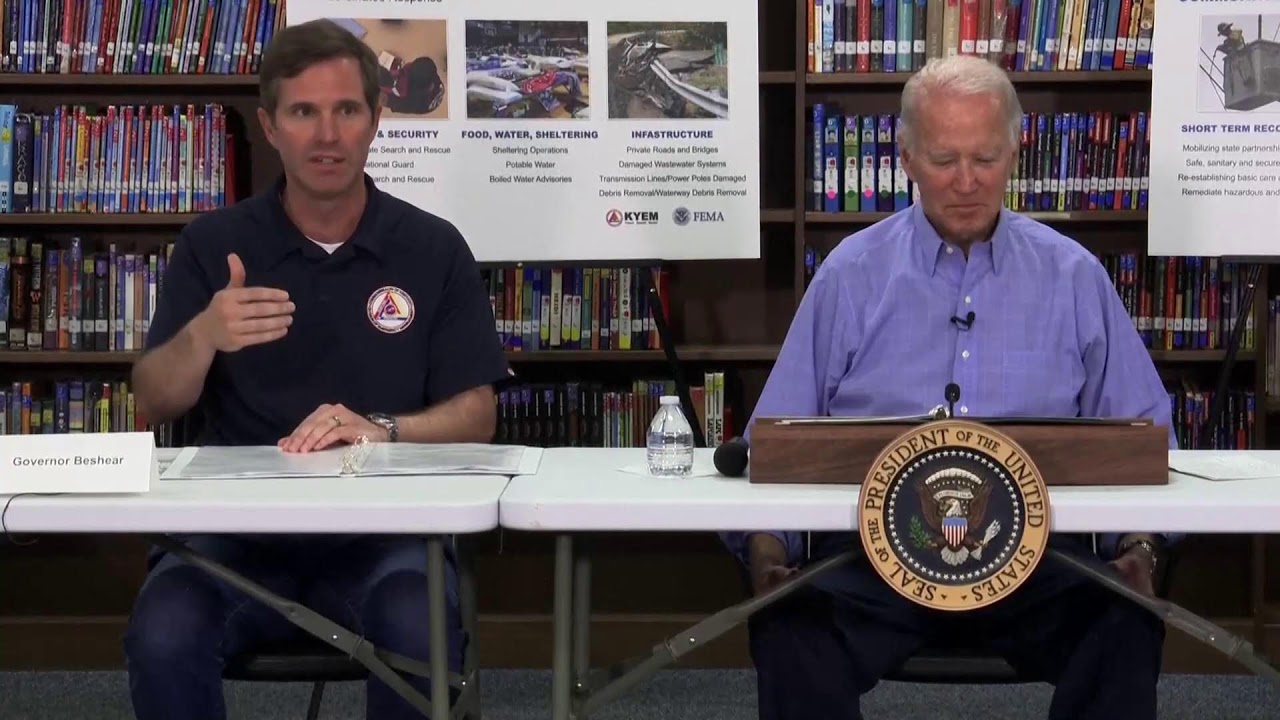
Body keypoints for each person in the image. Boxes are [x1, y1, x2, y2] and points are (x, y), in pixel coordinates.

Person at [722, 55, 1178, 720]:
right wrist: (767, 553)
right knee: (790, 626)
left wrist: (1139, 550)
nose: (966, 182)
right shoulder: (850, 276)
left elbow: (1144, 435)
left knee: (1126, 622)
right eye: (943, 159)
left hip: (1043, 561)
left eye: (985, 158)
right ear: (905, 157)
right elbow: (776, 443)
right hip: (876, 562)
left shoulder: (1074, 277)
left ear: (1016, 152)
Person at [124, 19, 510, 720]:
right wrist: (205, 334)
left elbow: (477, 413)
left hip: (385, 536)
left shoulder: (432, 248)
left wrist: (381, 430)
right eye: (304, 112)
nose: (327, 135)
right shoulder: (214, 245)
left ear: (377, 120)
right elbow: (153, 398)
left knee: (419, 629)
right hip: (231, 537)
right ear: (270, 125)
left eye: (346, 111)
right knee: (164, 627)